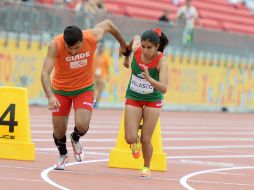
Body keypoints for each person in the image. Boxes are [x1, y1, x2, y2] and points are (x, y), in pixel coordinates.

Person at [41, 19, 127, 170]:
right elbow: (44, 73)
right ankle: (62, 154)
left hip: (84, 88)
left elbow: (108, 24)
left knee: (82, 124)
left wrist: (122, 44)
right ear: (64, 43)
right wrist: (50, 96)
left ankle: (75, 137)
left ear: (82, 41)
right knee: (59, 130)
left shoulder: (92, 36)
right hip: (60, 90)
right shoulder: (55, 45)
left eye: (77, 48)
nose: (73, 52)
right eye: (70, 49)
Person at [122, 28, 169, 177]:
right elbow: (133, 38)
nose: (145, 50)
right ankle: (134, 141)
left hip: (152, 100)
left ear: (156, 47)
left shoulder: (162, 61)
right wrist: (126, 56)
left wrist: (149, 79)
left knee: (146, 138)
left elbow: (164, 88)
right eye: (143, 46)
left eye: (149, 48)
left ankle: (146, 167)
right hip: (134, 96)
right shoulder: (137, 49)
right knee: (130, 137)